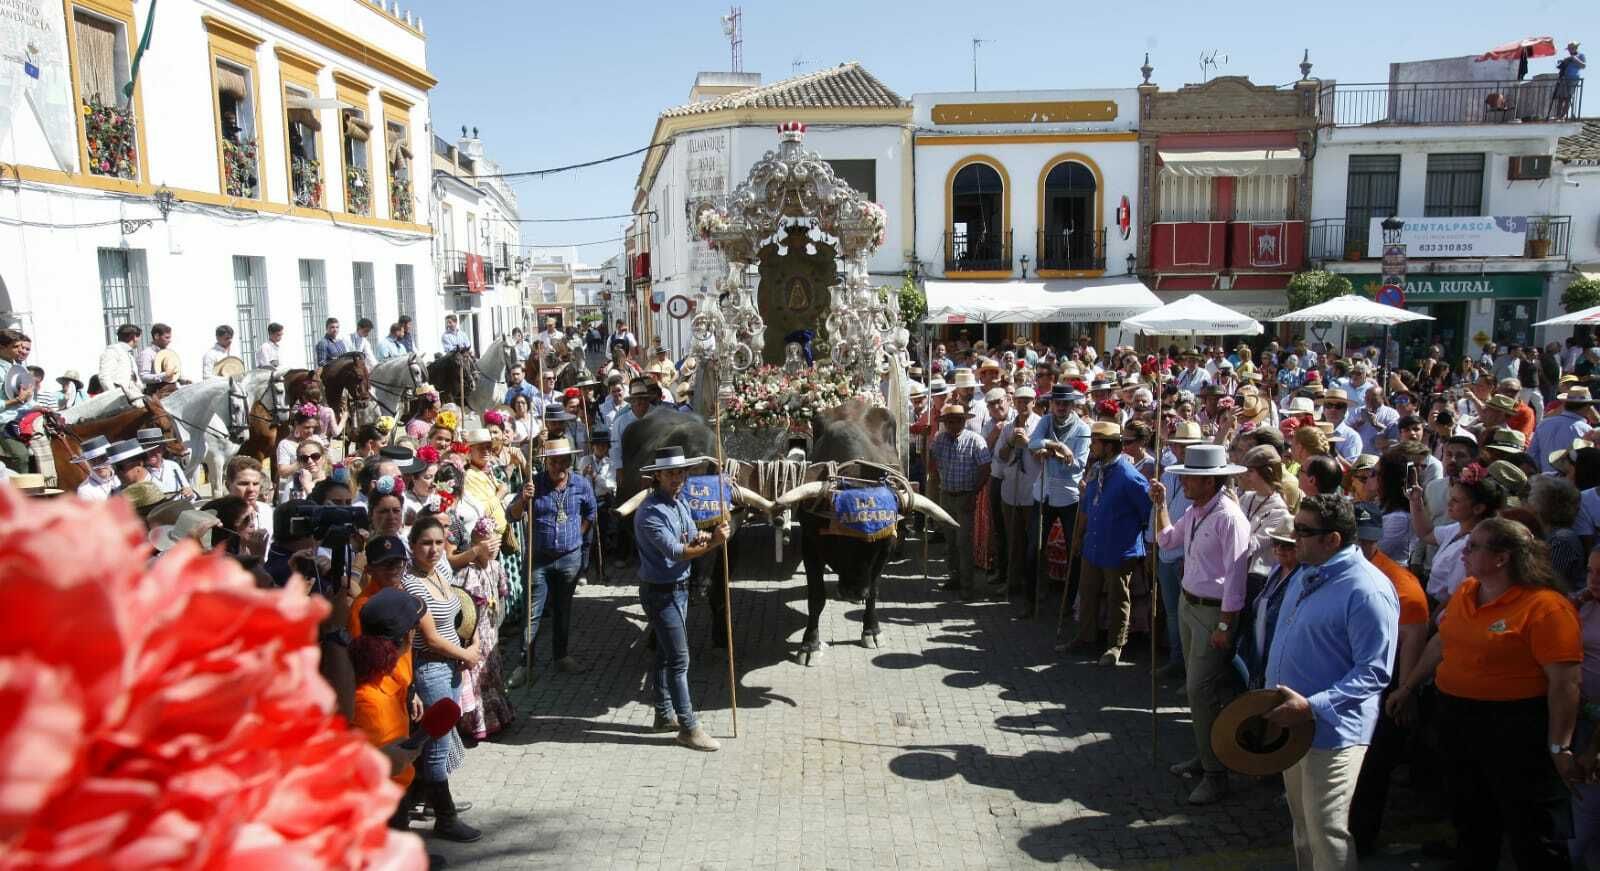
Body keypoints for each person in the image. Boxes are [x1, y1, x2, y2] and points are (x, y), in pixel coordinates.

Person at [1387, 518, 1581, 870]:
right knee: (1472, 820)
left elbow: (1565, 683)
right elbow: (1441, 642)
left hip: (1515, 730)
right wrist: (1409, 686)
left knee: (1530, 832)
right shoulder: (1467, 591)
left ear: (1502, 558)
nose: (1464, 550)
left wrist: (1559, 745)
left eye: (1474, 546)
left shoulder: (1546, 607)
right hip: (1459, 721)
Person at [1260, 495, 1398, 871]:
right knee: (1304, 828)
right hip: (1292, 724)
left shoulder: (1367, 590)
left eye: (1303, 531)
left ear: (1332, 539)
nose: (1294, 538)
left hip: (1333, 733)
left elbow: (1374, 672)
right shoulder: (1307, 571)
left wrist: (1312, 706)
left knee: (1326, 831)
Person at [1150, 443, 1252, 805]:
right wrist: (1160, 505)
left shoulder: (1229, 518)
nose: (1184, 485)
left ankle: (1216, 774)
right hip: (1189, 603)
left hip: (1213, 613)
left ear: (1209, 482)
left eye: (1190, 479)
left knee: (1198, 690)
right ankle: (1206, 753)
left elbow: (1237, 578)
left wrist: (1225, 625)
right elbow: (1167, 540)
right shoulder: (1195, 512)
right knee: (1201, 693)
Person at [1345, 502, 1430, 858]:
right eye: (1353, 539)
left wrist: (1403, 691)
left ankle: (1360, 837)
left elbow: (1413, 636)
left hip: (1384, 683)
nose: (1358, 547)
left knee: (1372, 767)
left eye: (1364, 541)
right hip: (1350, 676)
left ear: (1375, 541)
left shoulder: (1400, 584)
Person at [633, 447, 729, 752]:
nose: (678, 478)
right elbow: (676, 552)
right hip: (661, 593)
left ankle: (663, 715)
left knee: (664, 654)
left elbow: (688, 537)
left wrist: (703, 537)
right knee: (679, 659)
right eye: (671, 473)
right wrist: (712, 543)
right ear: (657, 475)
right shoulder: (650, 513)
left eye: (681, 472)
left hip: (679, 588)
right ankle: (688, 727)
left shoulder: (679, 503)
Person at [399, 516, 482, 842]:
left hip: (450, 666)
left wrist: (469, 644)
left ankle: (423, 801)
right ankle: (444, 818)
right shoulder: (412, 583)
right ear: (413, 546)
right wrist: (466, 655)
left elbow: (457, 614)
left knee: (435, 742)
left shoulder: (441, 572)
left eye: (437, 542)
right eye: (425, 544)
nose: (433, 549)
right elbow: (430, 638)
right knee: (436, 745)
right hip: (431, 668)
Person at [1071, 421, 1152, 665]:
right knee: (1087, 592)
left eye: (1095, 442)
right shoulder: (1097, 470)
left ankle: (1115, 646)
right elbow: (1086, 505)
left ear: (1108, 446)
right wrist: (1078, 535)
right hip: (1093, 545)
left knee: (1118, 597)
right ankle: (1085, 637)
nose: (1091, 446)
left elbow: (1147, 513)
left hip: (1119, 549)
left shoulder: (1130, 477)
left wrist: (1144, 545)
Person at [1028, 384, 1090, 612]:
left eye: (1066, 403)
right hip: (1042, 492)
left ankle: (1069, 600)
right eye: (1058, 403)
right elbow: (1032, 443)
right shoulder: (1046, 421)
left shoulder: (1082, 429)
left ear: (1073, 405)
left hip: (1069, 496)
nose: (1061, 407)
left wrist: (1048, 453)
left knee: (1073, 550)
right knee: (1034, 548)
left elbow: (1078, 465)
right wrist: (1057, 446)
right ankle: (1031, 599)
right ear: (1051, 404)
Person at [1411, 463, 1507, 606]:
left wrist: (1430, 625)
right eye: (1451, 497)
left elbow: (1454, 598)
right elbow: (1426, 533)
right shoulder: (1458, 528)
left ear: (1478, 508)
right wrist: (1415, 501)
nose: (1449, 503)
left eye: (1456, 500)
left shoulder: (1472, 546)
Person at [931, 402, 993, 601]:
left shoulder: (976, 440)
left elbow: (986, 468)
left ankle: (967, 586)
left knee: (963, 543)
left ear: (963, 421)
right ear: (945, 423)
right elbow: (931, 462)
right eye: (949, 421)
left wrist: (974, 493)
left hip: (966, 496)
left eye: (957, 420)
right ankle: (954, 577)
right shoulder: (939, 440)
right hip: (946, 495)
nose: (953, 424)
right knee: (950, 542)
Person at [997, 386, 1041, 614]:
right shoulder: (1007, 427)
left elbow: (1043, 458)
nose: (1023, 405)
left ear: (1034, 402)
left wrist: (1028, 442)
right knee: (1013, 538)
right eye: (1020, 401)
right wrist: (1012, 443)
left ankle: (1033, 585)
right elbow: (1001, 456)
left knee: (1032, 542)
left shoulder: (1042, 425)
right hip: (1011, 488)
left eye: (1028, 401)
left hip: (1033, 490)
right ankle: (1012, 581)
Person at [0, 330, 35, 472]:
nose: (20, 350)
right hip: (3, 422)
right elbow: (18, 400)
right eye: (15, 347)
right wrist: (17, 401)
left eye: (21, 346)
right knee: (21, 456)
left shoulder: (19, 367)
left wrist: (38, 407)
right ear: (1, 347)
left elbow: (27, 400)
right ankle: (23, 492)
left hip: (21, 417)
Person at [98, 323, 141, 393]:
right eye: (138, 337)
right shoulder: (112, 351)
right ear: (133, 337)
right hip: (121, 399)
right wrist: (115, 396)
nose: (139, 340)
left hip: (133, 396)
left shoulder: (129, 355)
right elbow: (104, 377)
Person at [135, 323, 175, 389]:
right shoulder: (147, 354)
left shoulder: (168, 352)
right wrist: (164, 375)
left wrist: (182, 380)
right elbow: (143, 377)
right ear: (156, 336)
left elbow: (172, 372)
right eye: (167, 337)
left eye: (170, 338)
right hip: (157, 393)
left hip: (172, 389)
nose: (169, 341)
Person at [1555, 41, 1586, 117]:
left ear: (1575, 48)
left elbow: (1583, 66)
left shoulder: (1581, 55)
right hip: (1564, 78)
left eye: (1571, 48)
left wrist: (1574, 59)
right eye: (1569, 49)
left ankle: (1562, 116)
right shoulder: (1568, 58)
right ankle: (1558, 116)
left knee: (1568, 98)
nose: (1569, 50)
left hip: (1573, 78)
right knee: (1561, 97)